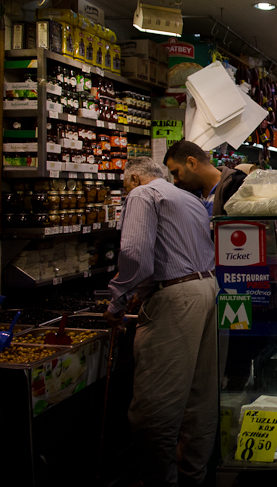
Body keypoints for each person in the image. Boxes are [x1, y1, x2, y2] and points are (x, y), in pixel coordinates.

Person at [102, 156, 217, 487]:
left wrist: (117, 301)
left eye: (126, 188)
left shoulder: (142, 193)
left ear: (135, 179)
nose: (127, 195)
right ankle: (193, 477)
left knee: (156, 407)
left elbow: (135, 255)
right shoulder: (191, 199)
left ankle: (160, 482)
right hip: (209, 290)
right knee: (201, 399)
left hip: (177, 298)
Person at [163, 140, 246, 217]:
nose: (175, 180)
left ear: (192, 163)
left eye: (176, 173)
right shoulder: (190, 194)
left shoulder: (237, 187)